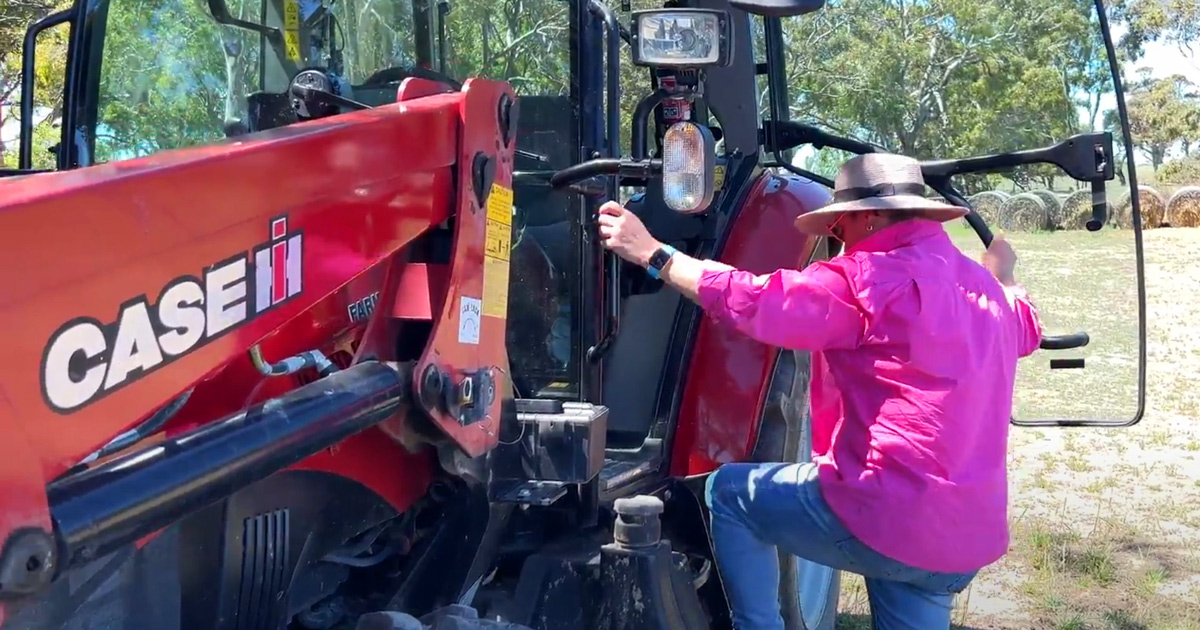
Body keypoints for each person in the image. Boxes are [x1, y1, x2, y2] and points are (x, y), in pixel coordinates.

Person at [596, 152, 1043, 630]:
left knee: (729, 494)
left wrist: (652, 253)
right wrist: (1005, 275)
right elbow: (1029, 329)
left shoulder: (865, 280)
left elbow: (754, 299)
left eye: (840, 227)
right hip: (965, 540)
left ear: (868, 216)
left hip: (891, 517)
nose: (838, 241)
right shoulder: (985, 290)